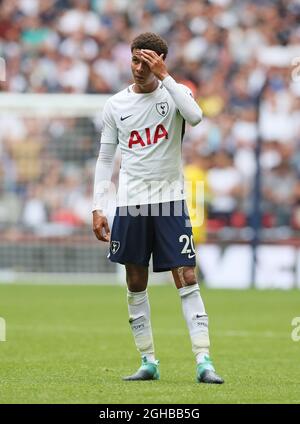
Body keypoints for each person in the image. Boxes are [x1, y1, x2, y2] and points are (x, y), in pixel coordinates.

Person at [92, 32, 224, 384]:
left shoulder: (177, 95)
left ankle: (203, 360)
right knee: (136, 281)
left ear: (160, 61)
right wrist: (98, 206)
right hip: (131, 205)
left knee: (187, 277)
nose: (137, 68)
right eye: (134, 60)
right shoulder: (115, 106)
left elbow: (195, 117)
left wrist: (165, 76)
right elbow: (106, 159)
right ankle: (148, 360)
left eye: (146, 61)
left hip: (169, 202)